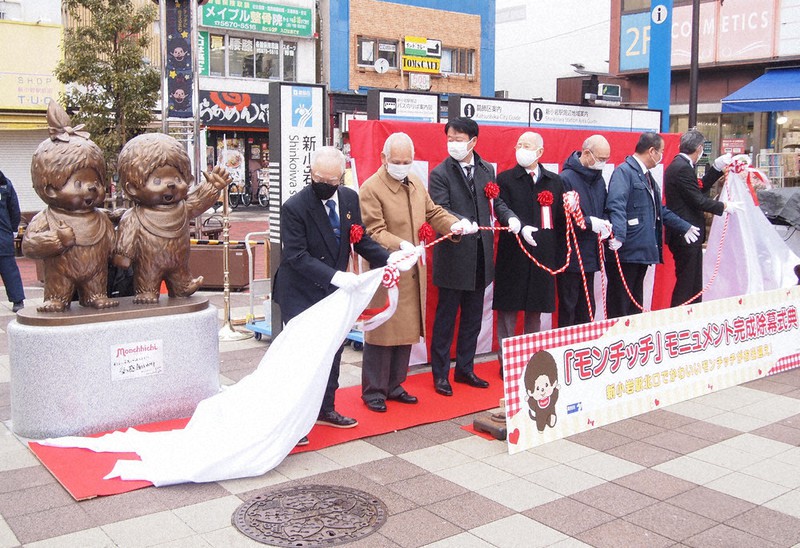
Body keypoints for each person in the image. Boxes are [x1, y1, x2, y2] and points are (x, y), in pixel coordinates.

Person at [272, 146, 389, 440]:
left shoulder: (349, 198)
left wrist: (391, 258)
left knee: (333, 350)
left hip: (333, 292)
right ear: (311, 174)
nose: (324, 184)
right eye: (319, 179)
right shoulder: (295, 207)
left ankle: (326, 408)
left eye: (331, 180)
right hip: (300, 291)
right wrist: (336, 276)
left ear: (341, 177)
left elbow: (360, 238)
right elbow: (296, 255)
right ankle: (294, 421)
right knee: (302, 357)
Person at [358, 132, 462, 411]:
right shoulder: (371, 188)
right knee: (382, 330)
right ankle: (374, 390)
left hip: (412, 269)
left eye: (407, 161)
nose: (402, 166)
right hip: (388, 268)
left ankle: (395, 384)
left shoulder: (415, 181)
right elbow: (373, 230)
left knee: (405, 330)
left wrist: (452, 224)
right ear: (384, 158)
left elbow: (432, 212)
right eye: (397, 161)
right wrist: (400, 244)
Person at [429, 117, 509, 396]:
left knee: (473, 319)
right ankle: (440, 374)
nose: (453, 144)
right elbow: (439, 208)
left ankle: (465, 368)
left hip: (480, 258)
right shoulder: (440, 173)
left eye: (459, 139)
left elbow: (496, 202)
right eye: (450, 138)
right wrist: (460, 222)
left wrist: (511, 219)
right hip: (453, 257)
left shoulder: (487, 169)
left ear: (473, 141)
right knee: (446, 320)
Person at [604, 132, 698, 318]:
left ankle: (633, 335)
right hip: (626, 251)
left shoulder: (646, 176)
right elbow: (616, 204)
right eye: (661, 151)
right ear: (652, 151)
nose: (661, 155)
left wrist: (683, 226)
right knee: (620, 303)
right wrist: (619, 236)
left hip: (642, 251)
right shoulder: (625, 172)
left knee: (635, 304)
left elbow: (658, 210)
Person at [494, 132, 566, 366]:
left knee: (536, 309)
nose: (521, 149)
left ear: (539, 152)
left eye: (527, 146)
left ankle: (530, 359)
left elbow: (561, 221)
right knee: (508, 309)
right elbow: (499, 208)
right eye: (519, 145)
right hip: (513, 253)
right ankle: (507, 361)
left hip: (543, 254)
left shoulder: (554, 182)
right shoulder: (505, 179)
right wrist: (517, 225)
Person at [664, 129, 739, 306]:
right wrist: (724, 206)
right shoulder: (681, 167)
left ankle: (692, 313)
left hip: (689, 233)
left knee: (694, 282)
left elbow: (698, 188)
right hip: (685, 233)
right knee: (687, 282)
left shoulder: (683, 165)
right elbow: (697, 200)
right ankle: (680, 315)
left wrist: (716, 168)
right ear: (698, 148)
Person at [557, 135, 613, 326]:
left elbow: (605, 206)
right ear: (587, 153)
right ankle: (566, 341)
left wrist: (605, 223)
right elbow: (561, 217)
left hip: (591, 253)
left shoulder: (599, 179)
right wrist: (589, 223)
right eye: (601, 159)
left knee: (588, 307)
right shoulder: (565, 178)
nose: (603, 163)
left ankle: (586, 342)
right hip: (571, 254)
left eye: (606, 159)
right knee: (569, 306)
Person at [0, 170, 24, 312]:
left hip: (3, 236)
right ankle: (18, 301)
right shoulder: (5, 184)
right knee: (9, 270)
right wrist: (13, 229)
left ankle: (18, 299)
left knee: (9, 269)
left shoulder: (5, 184)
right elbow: (14, 209)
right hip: (3, 236)